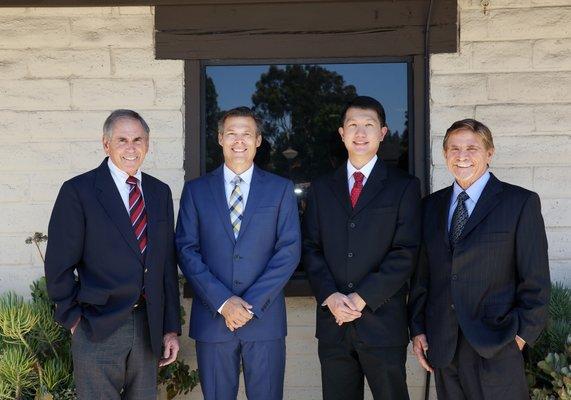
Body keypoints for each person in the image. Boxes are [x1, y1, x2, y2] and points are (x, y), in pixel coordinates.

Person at [408, 118, 550, 399]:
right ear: (445, 154)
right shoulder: (430, 207)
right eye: (454, 148)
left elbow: (535, 280)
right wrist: (418, 329)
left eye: (472, 148)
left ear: (489, 153)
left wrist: (520, 338)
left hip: (497, 344)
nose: (462, 156)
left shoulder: (519, 203)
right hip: (444, 345)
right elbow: (422, 277)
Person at [44, 109, 181, 399]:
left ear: (147, 143)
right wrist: (72, 318)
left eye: (138, 139)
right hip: (97, 326)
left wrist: (170, 328)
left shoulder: (159, 192)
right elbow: (58, 264)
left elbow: (166, 266)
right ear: (106, 144)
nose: (131, 148)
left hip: (148, 326)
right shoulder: (79, 191)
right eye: (122, 140)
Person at [176, 106, 301, 400]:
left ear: (258, 140)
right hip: (213, 321)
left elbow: (289, 251)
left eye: (247, 134)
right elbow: (186, 249)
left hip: (264, 321)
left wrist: (249, 306)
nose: (239, 140)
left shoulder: (280, 189)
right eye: (231, 133)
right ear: (220, 138)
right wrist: (223, 302)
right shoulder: (196, 191)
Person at [303, 96, 421, 400]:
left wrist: (361, 298)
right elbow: (311, 248)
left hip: (382, 323)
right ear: (342, 133)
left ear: (382, 133)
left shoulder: (403, 186)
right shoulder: (321, 188)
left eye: (369, 125)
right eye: (352, 125)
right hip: (334, 323)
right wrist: (330, 296)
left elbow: (405, 252)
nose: (360, 133)